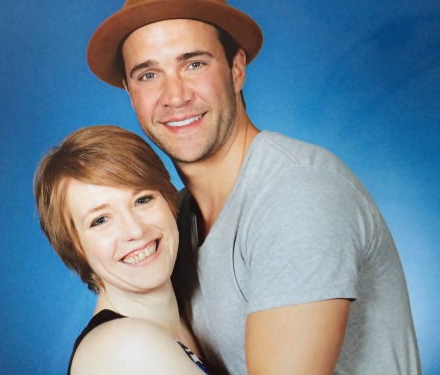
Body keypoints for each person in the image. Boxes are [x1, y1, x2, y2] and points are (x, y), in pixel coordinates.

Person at [85, 1, 422, 374]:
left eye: (193, 64)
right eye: (148, 75)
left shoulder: (296, 194)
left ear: (236, 70)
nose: (175, 96)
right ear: (131, 95)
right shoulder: (170, 226)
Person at [34, 125, 213, 374]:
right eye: (100, 220)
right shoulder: (124, 346)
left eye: (142, 199)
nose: (135, 231)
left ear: (169, 200)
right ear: (74, 246)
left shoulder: (186, 321)